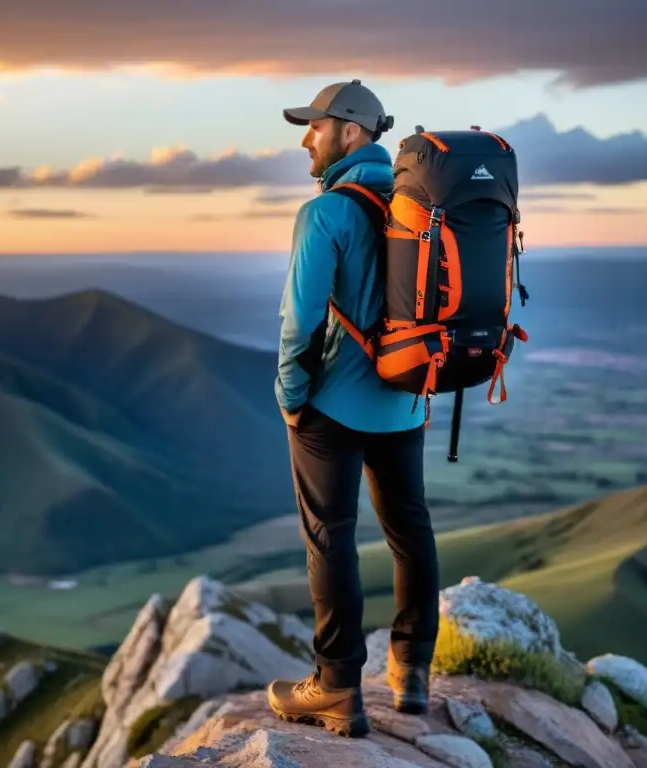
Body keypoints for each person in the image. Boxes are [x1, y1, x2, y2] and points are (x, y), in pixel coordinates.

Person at [266, 80, 440, 738]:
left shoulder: (326, 214)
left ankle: (337, 686)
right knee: (408, 528)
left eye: (314, 126)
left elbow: (298, 323)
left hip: (334, 407)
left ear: (350, 130)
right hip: (407, 399)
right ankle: (412, 670)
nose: (306, 139)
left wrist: (290, 399)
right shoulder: (417, 201)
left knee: (331, 537)